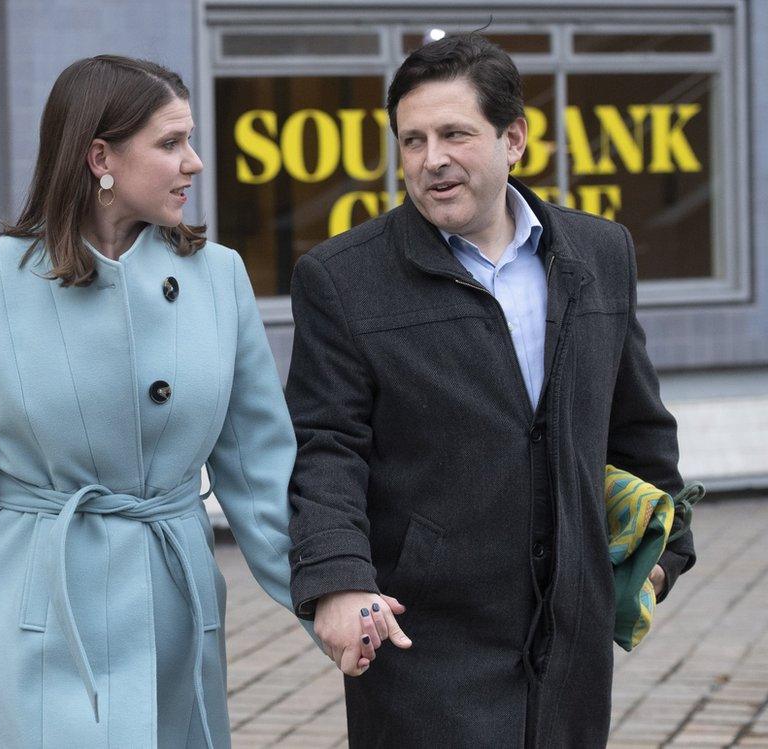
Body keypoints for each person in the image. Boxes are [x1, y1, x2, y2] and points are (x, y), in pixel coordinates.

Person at [0, 55, 320, 748]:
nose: (195, 163)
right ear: (99, 156)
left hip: (174, 598)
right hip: (40, 606)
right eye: (171, 143)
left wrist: (331, 602)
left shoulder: (219, 277)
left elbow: (264, 474)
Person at [285, 34, 696, 747]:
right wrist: (338, 580)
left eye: (454, 133)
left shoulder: (601, 253)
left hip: (569, 638)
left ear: (515, 139)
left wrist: (663, 554)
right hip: (423, 637)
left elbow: (636, 423)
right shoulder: (342, 279)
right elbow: (327, 447)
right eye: (412, 140)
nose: (431, 158)